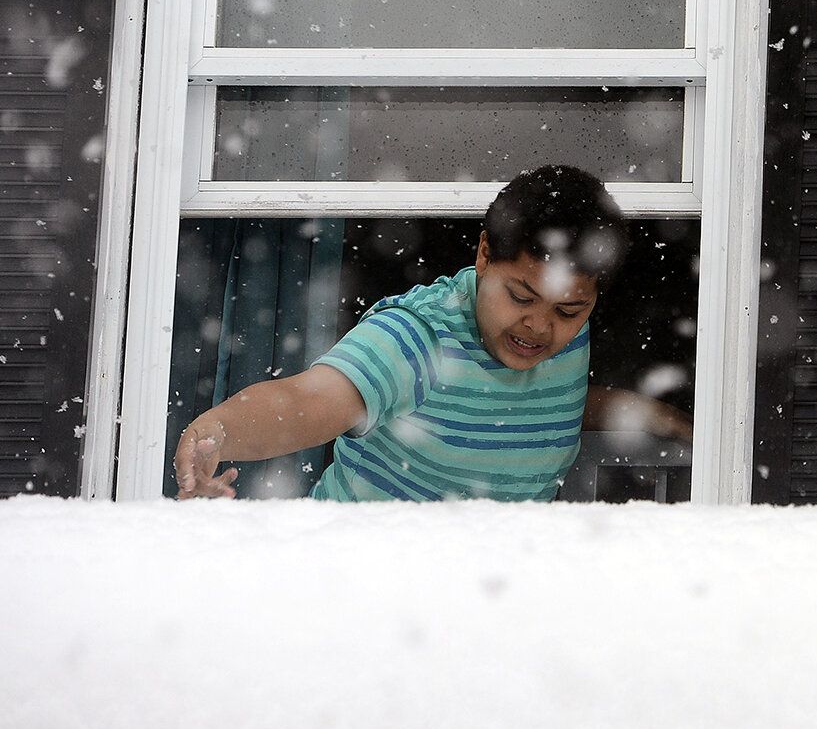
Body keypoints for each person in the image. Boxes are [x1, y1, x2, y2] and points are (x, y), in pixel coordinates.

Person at [174, 163, 688, 501]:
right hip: (358, 586)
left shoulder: (565, 339)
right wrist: (219, 433)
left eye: (570, 309)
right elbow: (309, 400)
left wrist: (652, 415)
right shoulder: (418, 338)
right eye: (521, 297)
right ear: (485, 254)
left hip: (487, 598)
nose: (540, 325)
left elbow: (543, 401)